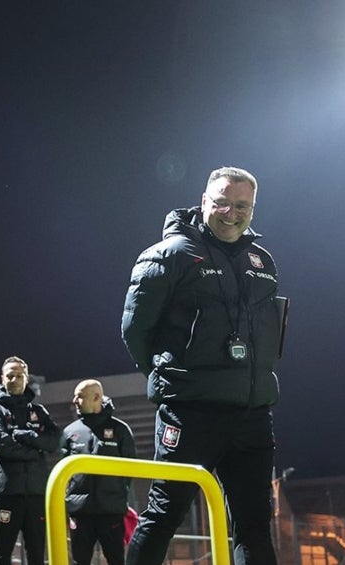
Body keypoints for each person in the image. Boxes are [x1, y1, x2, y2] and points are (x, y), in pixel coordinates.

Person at [122, 166, 285, 565]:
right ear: (204, 201)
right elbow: (134, 331)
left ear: (254, 208)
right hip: (191, 412)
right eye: (222, 203)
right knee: (163, 517)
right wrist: (172, 380)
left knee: (253, 527)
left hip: (252, 414)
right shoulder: (168, 255)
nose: (231, 213)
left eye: (242, 205)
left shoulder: (260, 259)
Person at [0, 356, 63, 565]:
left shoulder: (38, 412)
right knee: (2, 555)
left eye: (19, 376)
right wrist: (36, 450)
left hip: (36, 494)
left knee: (37, 554)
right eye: (10, 376)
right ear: (2, 378)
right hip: (9, 493)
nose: (15, 379)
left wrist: (30, 437)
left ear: (26, 378)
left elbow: (54, 441)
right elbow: (0, 444)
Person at [62, 379, 137, 565]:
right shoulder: (69, 432)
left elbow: (130, 470)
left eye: (79, 396)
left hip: (111, 512)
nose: (74, 400)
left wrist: (114, 496)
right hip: (80, 514)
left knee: (116, 560)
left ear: (96, 397)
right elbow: (64, 474)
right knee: (79, 561)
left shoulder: (120, 430)